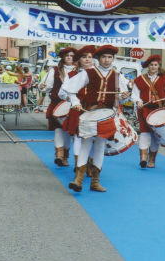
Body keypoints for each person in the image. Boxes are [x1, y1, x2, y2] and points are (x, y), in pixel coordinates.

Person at [62, 45, 130, 193]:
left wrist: (125, 97)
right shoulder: (88, 73)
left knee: (100, 145)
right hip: (90, 113)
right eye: (104, 57)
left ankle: (95, 181)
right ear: (99, 59)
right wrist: (76, 103)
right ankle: (78, 179)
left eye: (110, 57)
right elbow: (69, 89)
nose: (107, 60)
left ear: (113, 59)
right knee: (86, 143)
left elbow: (122, 100)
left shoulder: (118, 76)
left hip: (107, 115)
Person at [132, 55, 165, 168]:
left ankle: (152, 159)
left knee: (156, 135)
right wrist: (138, 101)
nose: (153, 67)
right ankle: (143, 157)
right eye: (151, 65)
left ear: (158, 66)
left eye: (155, 65)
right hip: (144, 110)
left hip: (158, 110)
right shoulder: (139, 79)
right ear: (148, 66)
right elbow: (134, 95)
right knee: (144, 132)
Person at [60, 45, 96, 175]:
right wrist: (73, 100)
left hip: (93, 110)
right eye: (84, 57)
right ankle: (78, 164)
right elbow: (62, 93)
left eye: (90, 57)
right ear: (79, 60)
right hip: (78, 109)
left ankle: (90, 164)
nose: (87, 59)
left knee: (92, 137)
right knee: (78, 136)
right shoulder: (72, 74)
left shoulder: (97, 73)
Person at [40, 47, 77, 167]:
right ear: (63, 57)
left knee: (69, 132)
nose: (69, 58)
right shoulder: (55, 70)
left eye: (72, 56)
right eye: (67, 55)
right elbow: (47, 86)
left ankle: (65, 156)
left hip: (74, 106)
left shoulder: (80, 71)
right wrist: (42, 87)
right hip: (57, 104)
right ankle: (59, 156)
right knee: (58, 130)